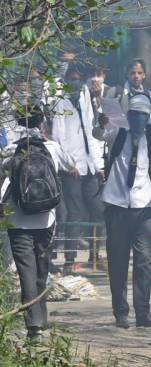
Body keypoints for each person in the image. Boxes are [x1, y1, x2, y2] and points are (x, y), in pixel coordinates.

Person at [93, 94, 151, 329]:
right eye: (135, 115)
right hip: (117, 205)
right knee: (118, 261)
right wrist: (99, 123)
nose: (139, 120)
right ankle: (120, 313)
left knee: (144, 262)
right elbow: (98, 134)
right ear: (129, 116)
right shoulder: (118, 133)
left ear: (147, 117)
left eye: (143, 116)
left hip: (143, 205)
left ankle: (143, 313)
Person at [3, 106, 73, 340]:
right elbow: (72, 165)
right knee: (42, 272)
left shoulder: (12, 150)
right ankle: (41, 319)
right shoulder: (51, 147)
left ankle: (34, 327)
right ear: (42, 123)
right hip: (46, 220)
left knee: (27, 274)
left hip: (18, 221)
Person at [50, 65, 105, 273]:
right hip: (71, 168)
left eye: (78, 79)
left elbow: (92, 134)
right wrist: (68, 164)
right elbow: (57, 138)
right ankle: (70, 260)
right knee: (74, 214)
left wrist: (99, 165)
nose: (75, 82)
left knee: (97, 210)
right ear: (65, 81)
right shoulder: (60, 103)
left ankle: (94, 254)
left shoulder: (84, 99)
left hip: (89, 165)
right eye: (71, 79)